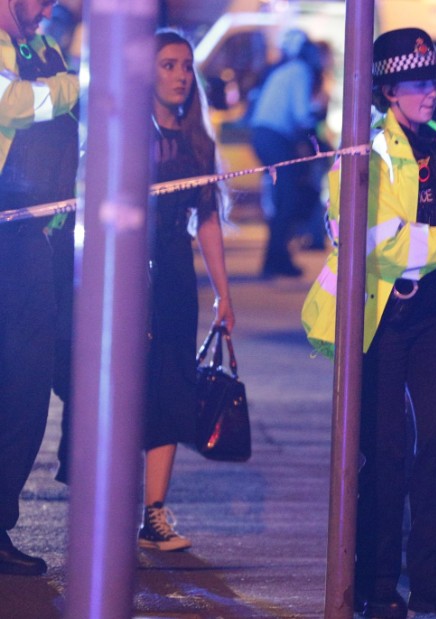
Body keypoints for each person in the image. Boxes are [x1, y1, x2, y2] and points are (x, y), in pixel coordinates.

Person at [300, 28, 436, 619]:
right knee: (382, 455)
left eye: (431, 82)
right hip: (381, 316)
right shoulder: (364, 151)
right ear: (386, 90)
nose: (429, 94)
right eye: (415, 84)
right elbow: (384, 244)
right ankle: (378, 587)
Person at [140, 29, 235, 552]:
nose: (180, 76)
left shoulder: (199, 139)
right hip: (131, 272)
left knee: (172, 390)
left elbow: (208, 222)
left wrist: (224, 293)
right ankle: (107, 503)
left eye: (185, 66)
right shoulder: (130, 134)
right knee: (130, 388)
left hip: (176, 274)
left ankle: (153, 512)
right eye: (168, 65)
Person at [0, 0, 80, 576]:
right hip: (10, 227)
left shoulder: (44, 48)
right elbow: (14, 105)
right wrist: (71, 88)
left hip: (36, 235)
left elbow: (63, 140)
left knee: (27, 384)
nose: (48, 6)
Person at [250, 29, 326, 277]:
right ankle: (276, 260)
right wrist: (319, 140)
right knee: (289, 198)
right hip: (274, 136)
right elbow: (302, 114)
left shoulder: (286, 69)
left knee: (284, 198)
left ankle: (276, 258)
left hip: (264, 134)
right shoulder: (301, 72)